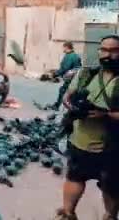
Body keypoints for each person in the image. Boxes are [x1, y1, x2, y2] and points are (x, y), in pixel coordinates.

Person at [55, 35, 119, 220]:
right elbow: (68, 96)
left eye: (114, 51)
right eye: (104, 50)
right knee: (75, 177)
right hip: (81, 140)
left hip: (112, 146)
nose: (108, 55)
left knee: (112, 186)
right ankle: (67, 213)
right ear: (99, 51)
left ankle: (109, 216)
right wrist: (72, 106)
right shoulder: (86, 74)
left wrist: (105, 114)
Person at [52, 42, 82, 109]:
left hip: (71, 78)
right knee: (71, 92)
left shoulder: (69, 56)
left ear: (66, 47)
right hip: (76, 77)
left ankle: (57, 106)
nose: (63, 49)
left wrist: (56, 74)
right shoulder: (76, 55)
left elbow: (65, 68)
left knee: (63, 90)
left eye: (64, 47)